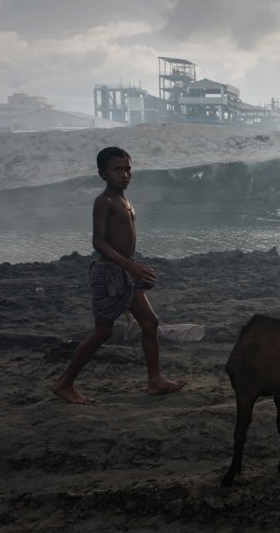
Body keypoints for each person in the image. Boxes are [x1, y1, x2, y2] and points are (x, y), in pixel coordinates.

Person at [51, 147, 185, 404]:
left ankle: (155, 381)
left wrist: (133, 266)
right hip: (108, 272)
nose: (125, 175)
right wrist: (129, 266)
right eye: (117, 170)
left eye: (128, 169)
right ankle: (64, 383)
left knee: (150, 323)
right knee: (102, 332)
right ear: (103, 174)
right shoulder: (104, 202)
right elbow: (98, 243)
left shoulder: (125, 201)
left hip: (126, 270)